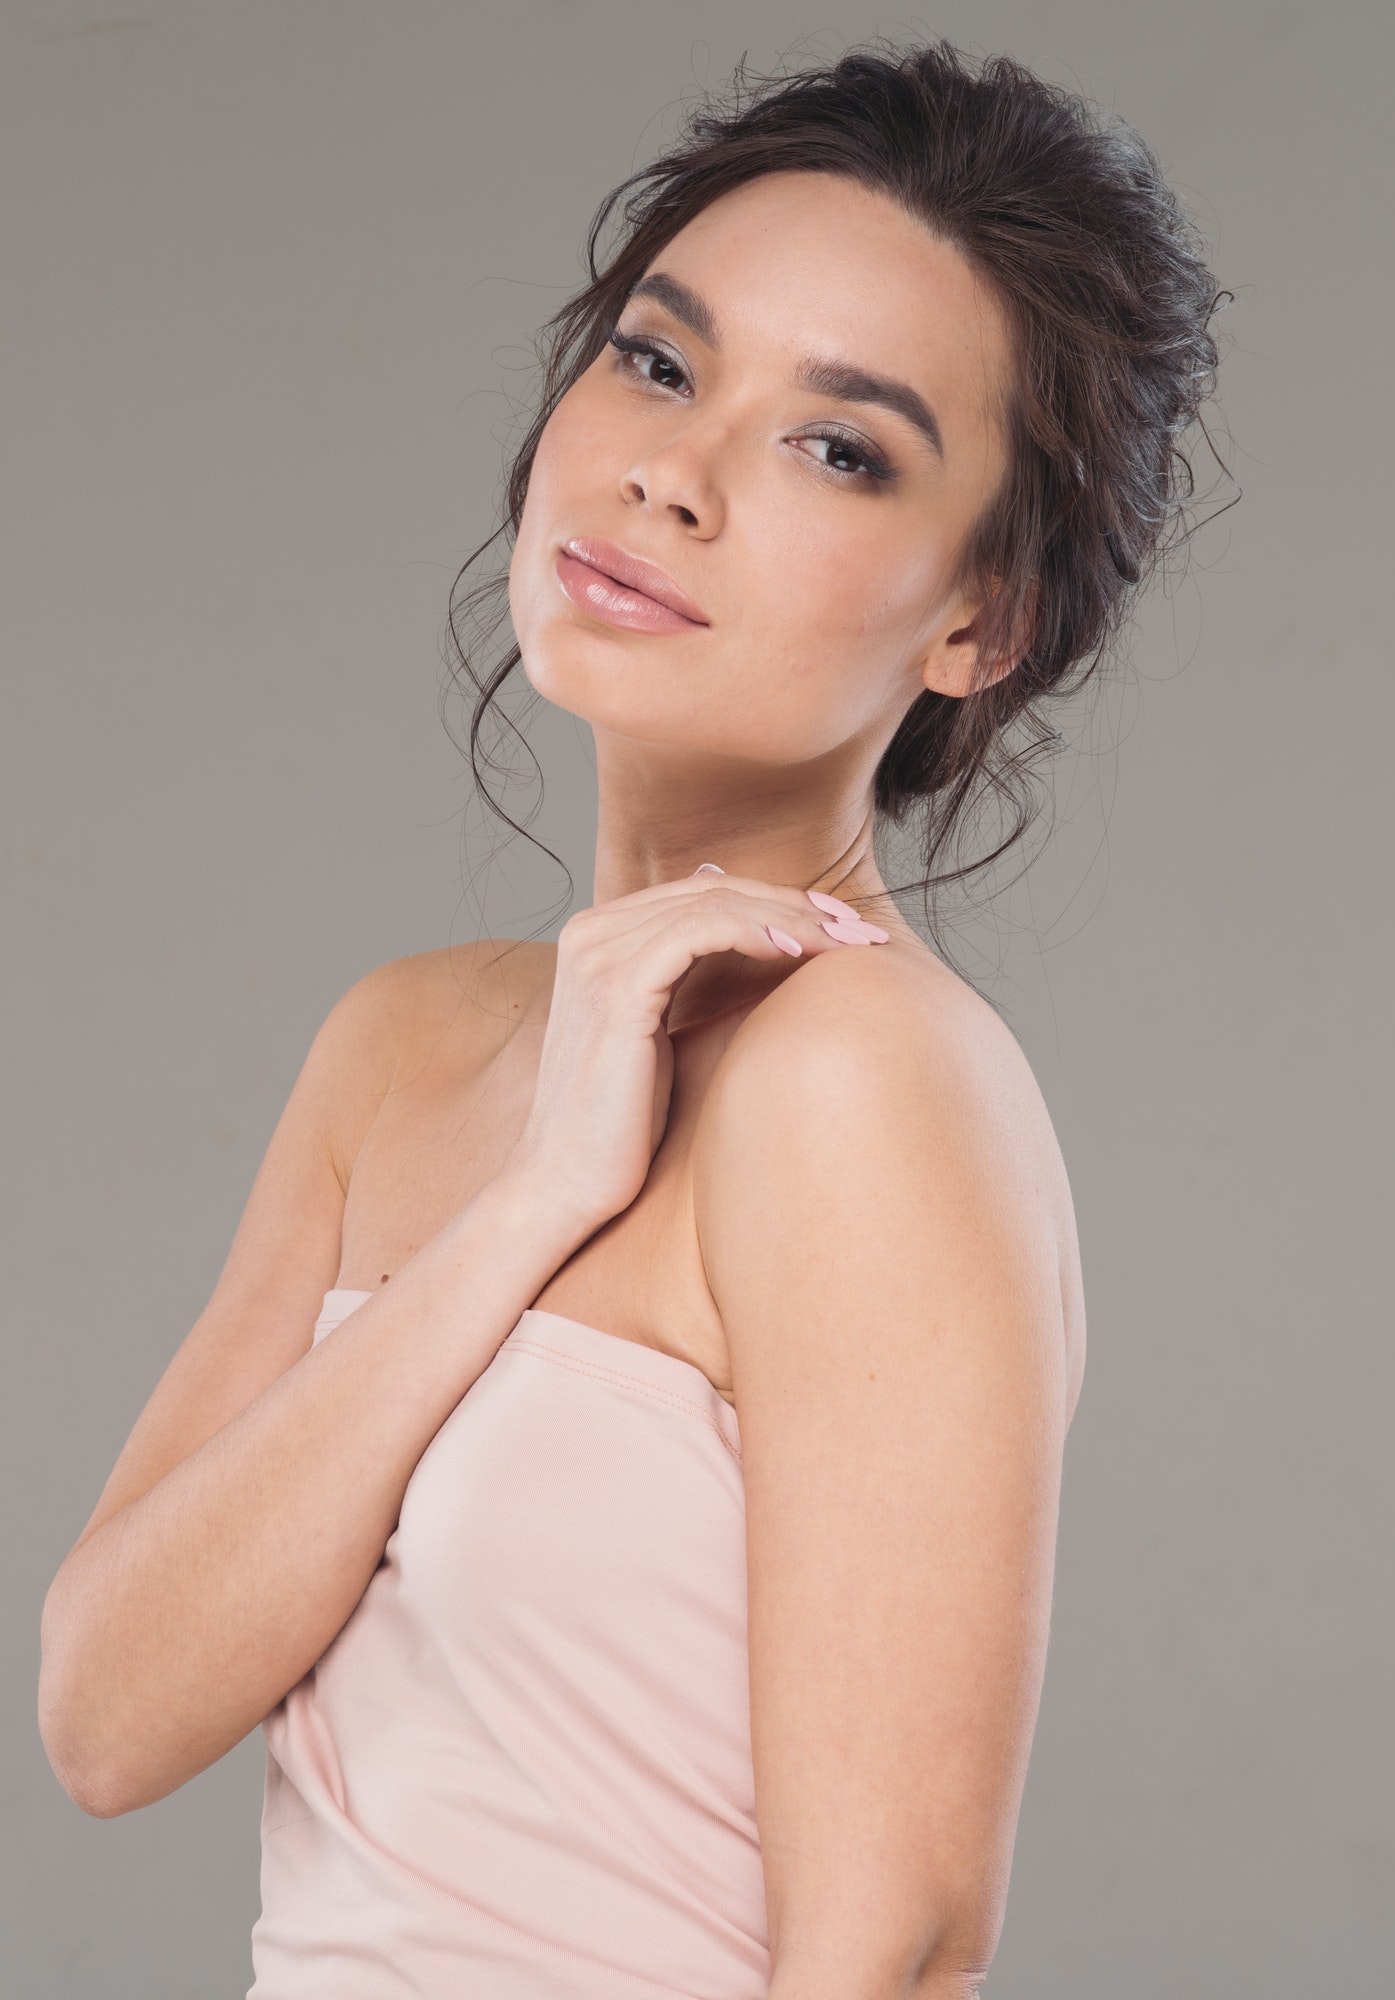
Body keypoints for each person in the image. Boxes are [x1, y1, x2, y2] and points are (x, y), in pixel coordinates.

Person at [37, 37, 1224, 2000]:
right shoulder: (401, 1047)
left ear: (979, 621)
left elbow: (897, 1946)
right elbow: (105, 1713)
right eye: (660, 362)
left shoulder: (862, 1077)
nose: (669, 471)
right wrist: (527, 1207)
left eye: (838, 447)